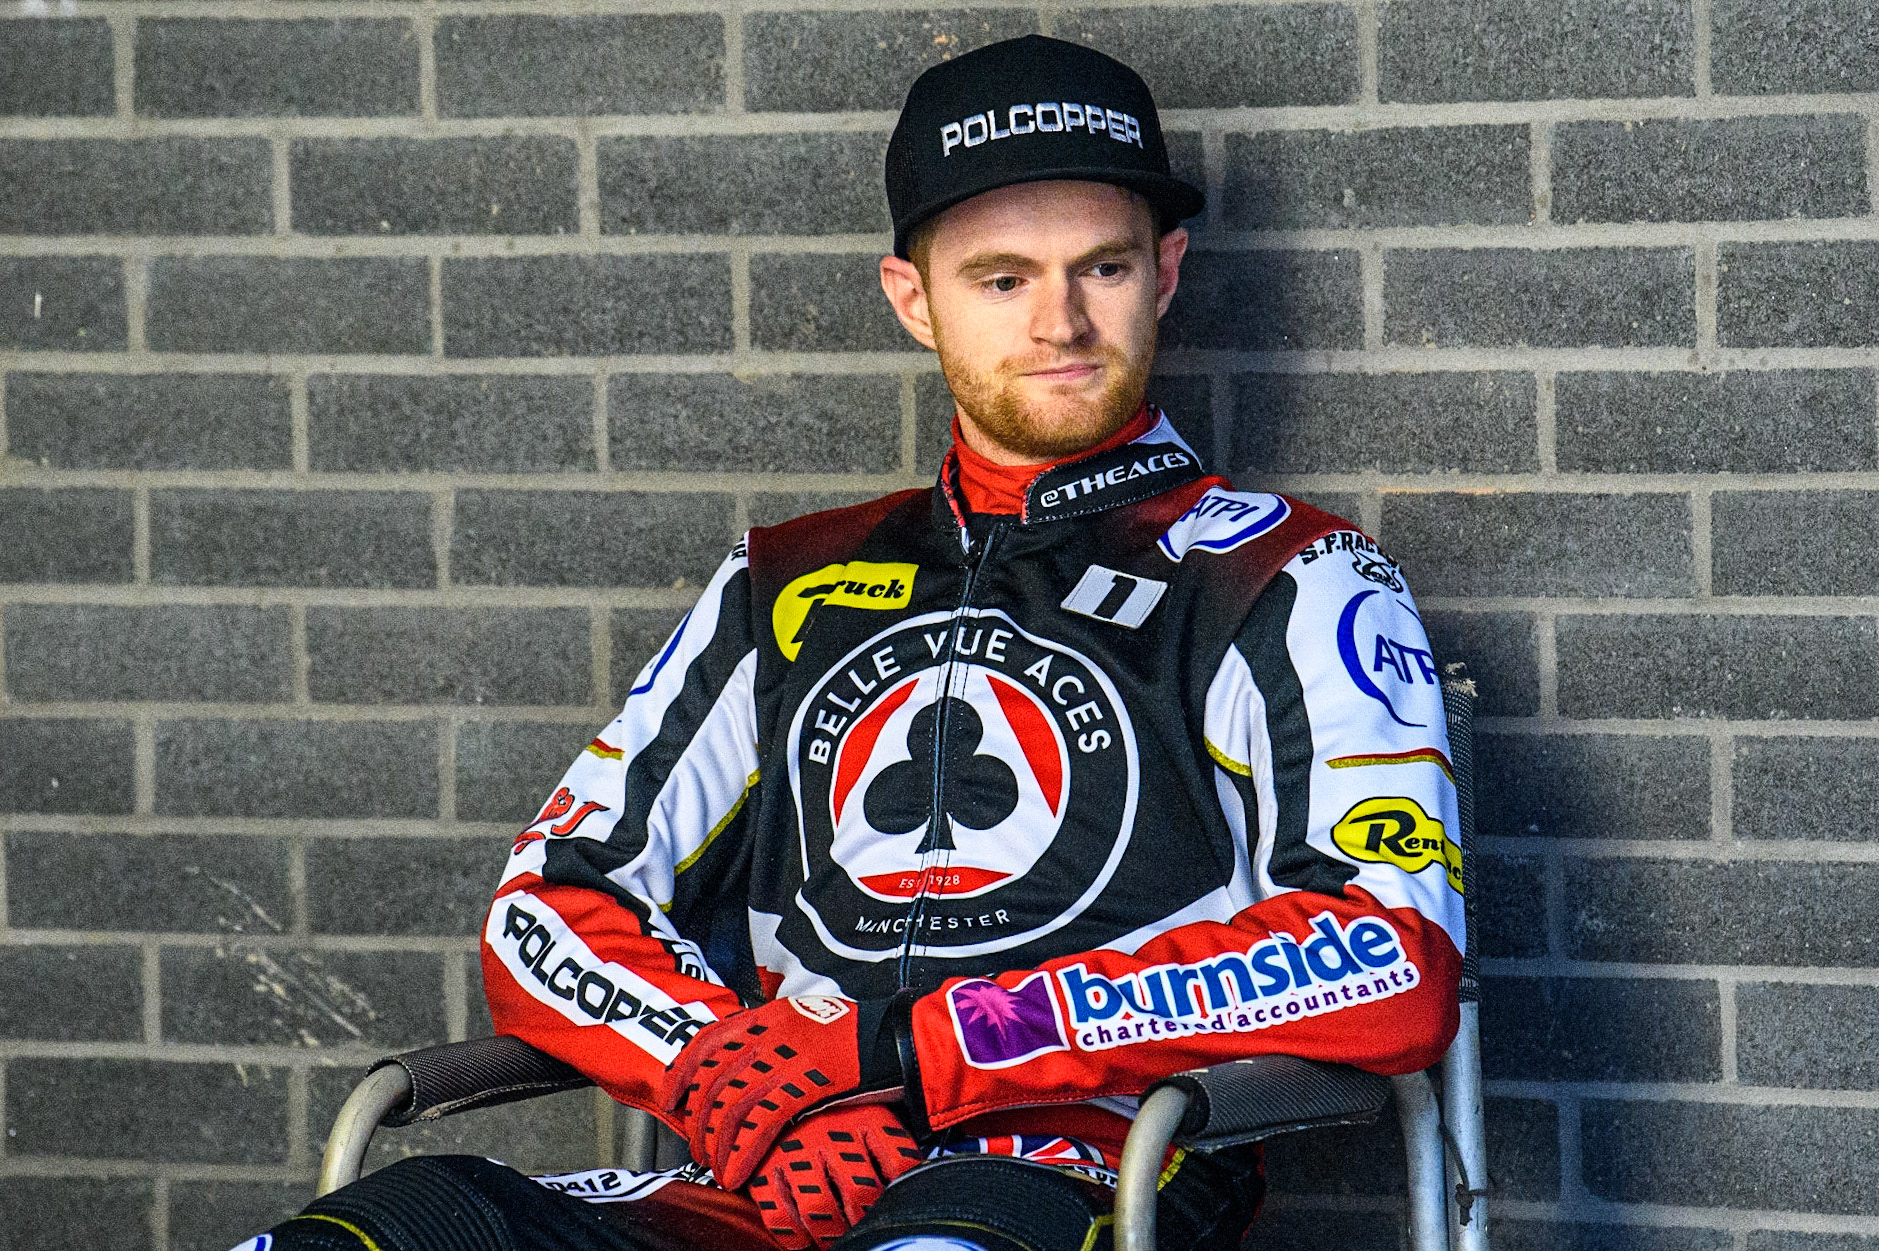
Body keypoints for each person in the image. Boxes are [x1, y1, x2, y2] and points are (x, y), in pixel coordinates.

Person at [236, 34, 1463, 1251]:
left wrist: (916, 1048)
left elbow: (1385, 948)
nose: (1061, 322)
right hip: (766, 1174)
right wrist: (741, 1086)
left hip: (1080, 1172)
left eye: (1103, 269)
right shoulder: (785, 579)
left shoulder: (1291, 579)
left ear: (1168, 272)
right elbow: (548, 904)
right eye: (1000, 279)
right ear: (910, 298)